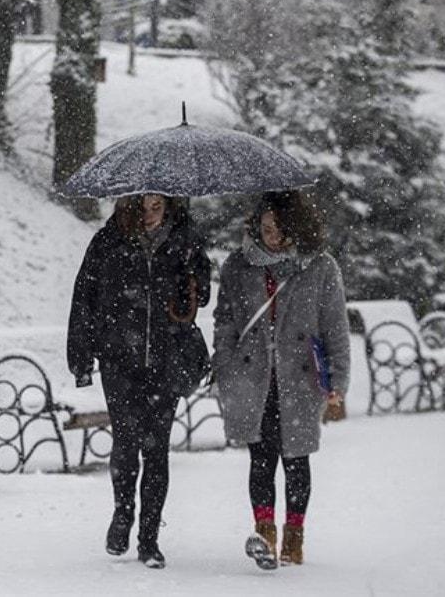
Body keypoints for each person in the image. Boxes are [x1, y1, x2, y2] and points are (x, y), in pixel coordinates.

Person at [67, 194, 211, 569]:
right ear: (128, 205)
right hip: (119, 360)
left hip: (167, 359)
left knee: (157, 448)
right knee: (127, 441)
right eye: (142, 207)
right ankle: (122, 514)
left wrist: (193, 266)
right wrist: (80, 356)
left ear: (169, 207)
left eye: (156, 208)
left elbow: (203, 297)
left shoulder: (185, 240)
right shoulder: (108, 240)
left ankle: (150, 538)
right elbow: (84, 296)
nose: (148, 216)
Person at [211, 191, 349, 570]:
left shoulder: (320, 267)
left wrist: (338, 381)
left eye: (279, 229)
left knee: (296, 458)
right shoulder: (238, 265)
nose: (271, 236)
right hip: (252, 377)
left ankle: (294, 537)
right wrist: (224, 366)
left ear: (296, 228)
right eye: (266, 228)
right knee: (260, 457)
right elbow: (224, 322)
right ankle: (265, 534)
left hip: (300, 379)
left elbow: (336, 328)